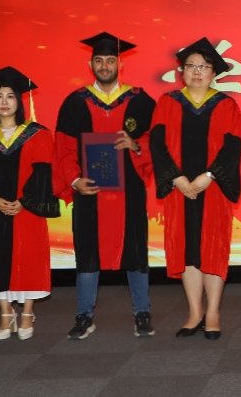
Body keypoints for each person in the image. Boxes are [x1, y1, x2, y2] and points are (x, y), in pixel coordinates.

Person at [54, 32, 157, 340]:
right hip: (90, 191)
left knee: (135, 249)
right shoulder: (75, 103)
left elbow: (158, 141)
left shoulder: (140, 101)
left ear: (120, 65)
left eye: (110, 60)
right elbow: (63, 149)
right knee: (87, 251)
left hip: (130, 191)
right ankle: (84, 314)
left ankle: (142, 312)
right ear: (91, 65)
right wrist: (74, 180)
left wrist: (136, 145)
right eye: (99, 60)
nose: (104, 66)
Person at [149, 37, 241, 340]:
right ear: (182, 71)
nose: (197, 72)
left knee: (212, 247)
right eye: (190, 66)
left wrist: (210, 176)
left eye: (203, 67)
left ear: (214, 72)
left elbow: (232, 147)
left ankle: (213, 312)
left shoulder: (226, 105)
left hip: (212, 188)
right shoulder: (168, 102)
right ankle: (194, 311)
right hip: (180, 189)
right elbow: (157, 144)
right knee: (186, 249)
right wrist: (176, 178)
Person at [0, 67, 59, 340]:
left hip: (26, 208)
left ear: (19, 101)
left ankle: (27, 311)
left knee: (28, 256)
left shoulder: (38, 133)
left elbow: (42, 173)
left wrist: (23, 201)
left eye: (10, 96)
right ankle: (6, 312)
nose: (4, 102)